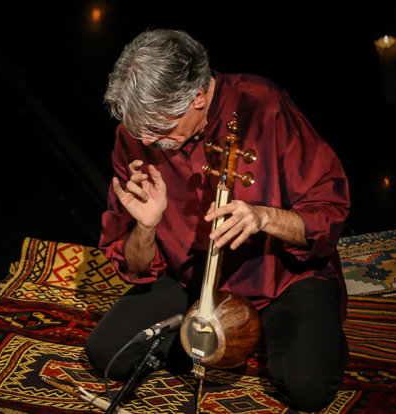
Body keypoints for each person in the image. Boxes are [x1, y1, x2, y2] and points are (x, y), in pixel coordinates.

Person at [85, 29, 350, 412]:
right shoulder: (138, 136)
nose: (147, 139)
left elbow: (330, 210)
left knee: (308, 387)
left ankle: (260, 336)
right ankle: (225, 341)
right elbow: (137, 265)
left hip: (281, 278)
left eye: (159, 130)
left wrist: (263, 217)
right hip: (190, 281)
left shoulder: (264, 105)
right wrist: (145, 227)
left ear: (197, 98)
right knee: (108, 351)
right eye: (140, 130)